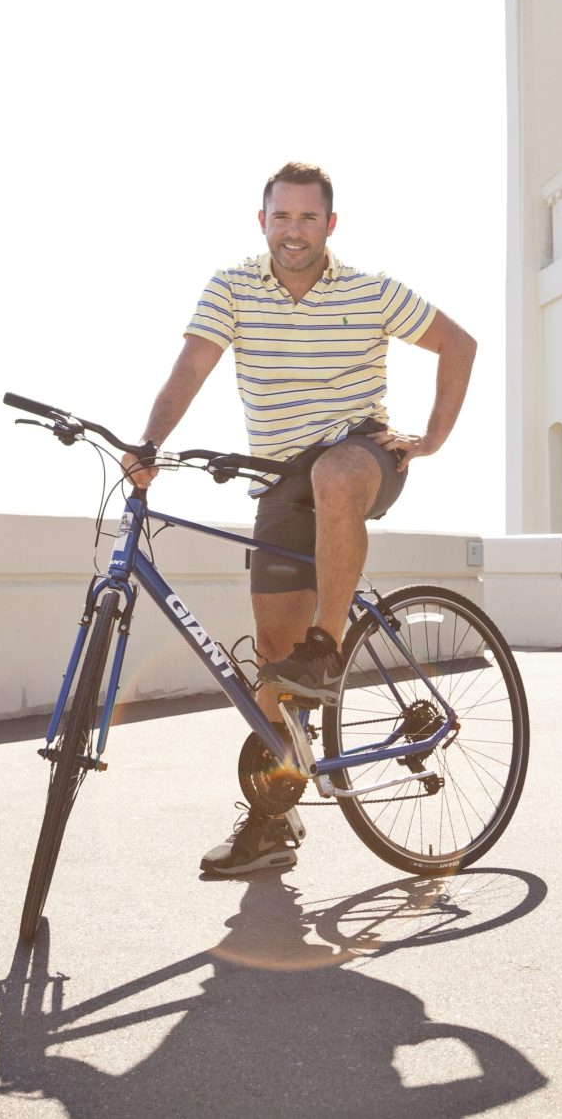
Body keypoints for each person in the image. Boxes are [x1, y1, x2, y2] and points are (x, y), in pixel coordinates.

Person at [122, 161, 476, 876]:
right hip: (281, 482)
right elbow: (190, 368)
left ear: (330, 225)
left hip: (360, 458)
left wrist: (431, 439)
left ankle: (329, 643)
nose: (293, 231)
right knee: (273, 665)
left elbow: (457, 345)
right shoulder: (232, 287)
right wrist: (149, 443)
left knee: (333, 473)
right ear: (263, 223)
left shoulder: (371, 291)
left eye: (307, 218)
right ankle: (272, 821)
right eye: (281, 217)